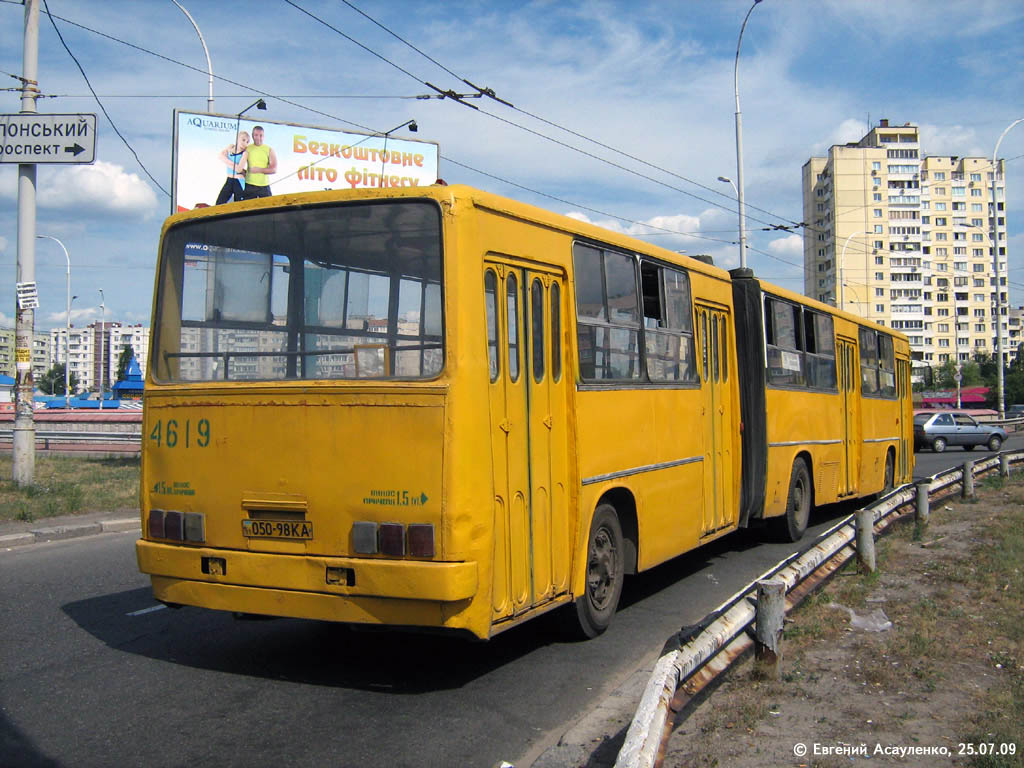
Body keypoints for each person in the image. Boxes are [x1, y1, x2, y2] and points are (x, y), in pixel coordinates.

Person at [239, 125, 277, 199]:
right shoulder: (247, 148)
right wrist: (243, 172)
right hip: (249, 185)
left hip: (264, 186)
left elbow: (274, 169)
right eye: (256, 135)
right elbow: (237, 161)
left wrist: (258, 170)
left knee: (268, 208)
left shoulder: (269, 149)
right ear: (252, 136)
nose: (258, 138)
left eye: (261, 135)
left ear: (264, 136)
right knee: (248, 208)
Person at [215, 131, 249, 205]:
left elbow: (239, 169)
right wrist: (234, 165)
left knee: (240, 205)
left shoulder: (245, 153)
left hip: (239, 181)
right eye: (243, 140)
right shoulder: (230, 147)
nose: (245, 143)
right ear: (237, 139)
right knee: (219, 203)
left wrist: (226, 160)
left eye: (247, 142)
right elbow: (220, 155)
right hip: (229, 180)